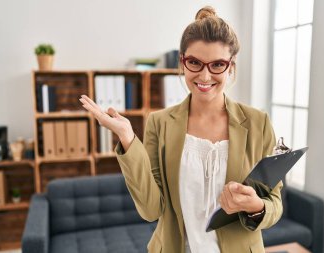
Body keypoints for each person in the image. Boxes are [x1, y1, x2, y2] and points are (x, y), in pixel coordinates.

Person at [79, 6, 283, 253]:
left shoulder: (257, 123)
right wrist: (128, 138)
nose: (205, 76)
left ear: (231, 66)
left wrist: (256, 207)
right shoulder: (159, 123)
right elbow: (151, 209)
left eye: (217, 64)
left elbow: (274, 203)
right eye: (195, 63)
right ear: (183, 63)